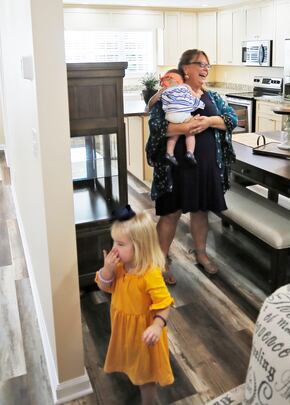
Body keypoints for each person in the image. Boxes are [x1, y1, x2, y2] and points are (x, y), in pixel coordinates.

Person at [146, 49, 237, 285]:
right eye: (201, 64)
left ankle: (201, 253)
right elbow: (157, 127)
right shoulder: (170, 94)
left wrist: (208, 121)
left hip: (205, 165)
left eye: (208, 65)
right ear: (186, 68)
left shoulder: (213, 96)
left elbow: (231, 120)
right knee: (170, 213)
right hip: (174, 166)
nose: (206, 69)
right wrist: (185, 129)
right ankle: (160, 260)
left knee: (201, 211)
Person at [96, 206, 174, 405]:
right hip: (125, 330)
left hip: (144, 334)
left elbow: (165, 304)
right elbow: (104, 287)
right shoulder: (119, 267)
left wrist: (157, 326)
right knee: (132, 363)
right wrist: (107, 270)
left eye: (120, 244)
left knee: (146, 377)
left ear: (139, 246)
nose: (114, 249)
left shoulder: (150, 274)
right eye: (114, 241)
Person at [160, 69, 205, 167]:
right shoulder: (185, 87)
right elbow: (195, 97)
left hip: (170, 116)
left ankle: (169, 153)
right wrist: (199, 94)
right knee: (190, 132)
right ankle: (190, 152)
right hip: (183, 116)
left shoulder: (165, 90)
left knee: (174, 135)